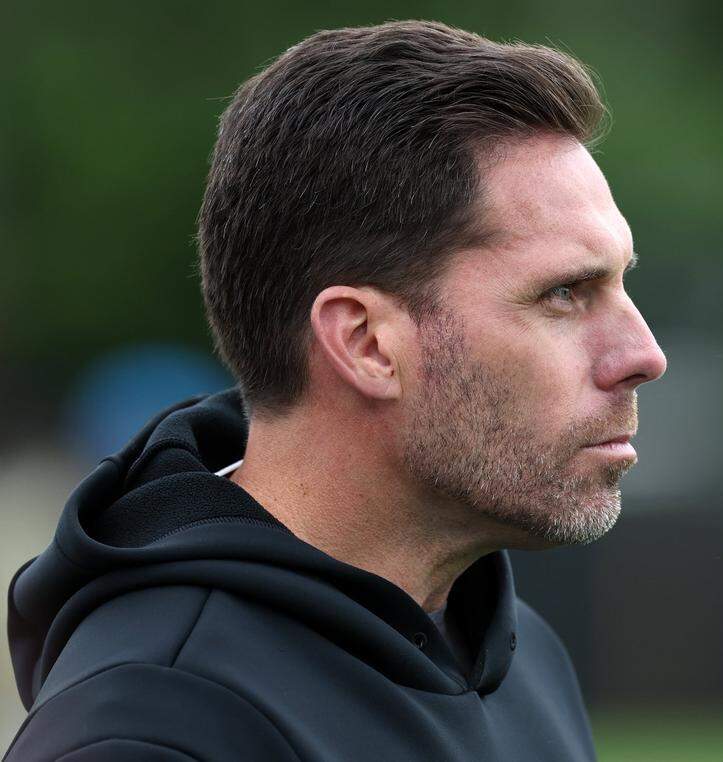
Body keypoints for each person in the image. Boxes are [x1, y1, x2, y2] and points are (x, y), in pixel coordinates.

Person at [4, 20, 666, 762]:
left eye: (621, 283)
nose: (643, 356)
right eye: (565, 293)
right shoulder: (152, 729)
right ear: (365, 343)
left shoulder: (520, 659)